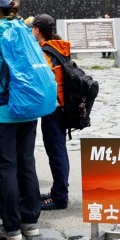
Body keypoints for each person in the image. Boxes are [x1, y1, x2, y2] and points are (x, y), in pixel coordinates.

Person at [0, 0, 41, 240]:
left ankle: (12, 227)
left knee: (5, 167)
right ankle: (30, 221)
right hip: (27, 108)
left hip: (3, 111)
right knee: (26, 163)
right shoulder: (26, 33)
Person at [31, 14, 71, 211]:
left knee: (56, 152)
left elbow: (42, 80)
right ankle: (58, 190)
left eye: (33, 28)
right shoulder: (59, 46)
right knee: (58, 150)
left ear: (37, 30)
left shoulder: (46, 52)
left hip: (53, 108)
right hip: (61, 105)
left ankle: (60, 197)